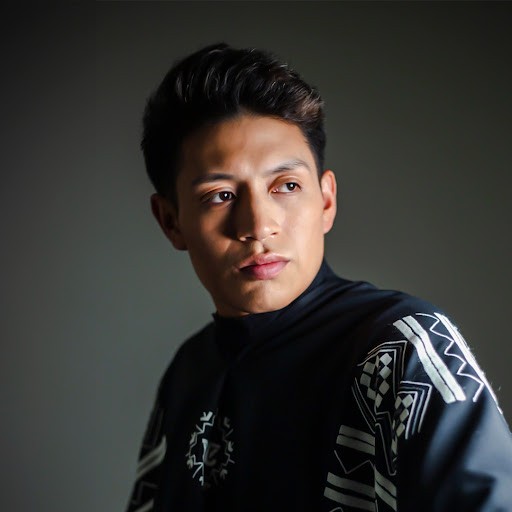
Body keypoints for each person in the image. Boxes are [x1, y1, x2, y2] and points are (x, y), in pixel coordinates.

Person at [125, 43, 512, 512]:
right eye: (220, 195)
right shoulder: (189, 372)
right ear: (170, 221)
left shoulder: (399, 350)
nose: (258, 226)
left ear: (326, 201)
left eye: (286, 186)